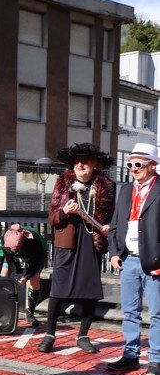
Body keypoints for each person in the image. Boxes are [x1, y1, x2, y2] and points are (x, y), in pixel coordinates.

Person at [37, 143, 115, 354]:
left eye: (85, 161)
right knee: (58, 290)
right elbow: (52, 218)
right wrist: (64, 212)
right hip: (67, 243)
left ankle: (83, 336)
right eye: (77, 161)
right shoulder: (63, 184)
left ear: (95, 165)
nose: (80, 164)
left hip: (92, 242)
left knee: (89, 291)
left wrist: (109, 225)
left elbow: (112, 217)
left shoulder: (107, 186)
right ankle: (49, 335)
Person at [107, 143, 160, 375]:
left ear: (152, 165)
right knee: (130, 312)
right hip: (128, 260)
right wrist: (115, 252)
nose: (133, 168)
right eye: (130, 164)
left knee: (157, 313)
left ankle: (157, 359)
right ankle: (130, 355)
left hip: (154, 261)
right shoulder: (126, 189)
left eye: (138, 164)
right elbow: (116, 223)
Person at [0, 223, 47, 326]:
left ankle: (30, 313)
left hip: (35, 255)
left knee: (35, 277)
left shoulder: (34, 242)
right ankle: (4, 308)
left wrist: (25, 277)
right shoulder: (4, 240)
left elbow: (34, 266)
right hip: (14, 256)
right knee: (3, 275)